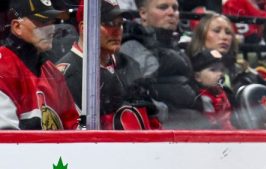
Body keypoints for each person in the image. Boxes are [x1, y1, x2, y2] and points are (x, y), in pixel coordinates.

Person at [57, 0, 160, 130]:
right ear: (84, 28)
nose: (117, 31)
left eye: (120, 24)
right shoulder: (65, 75)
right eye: (109, 24)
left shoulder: (130, 64)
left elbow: (152, 121)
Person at [120, 0, 203, 128]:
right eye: (163, 7)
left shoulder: (177, 46)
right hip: (165, 129)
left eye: (175, 8)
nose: (171, 13)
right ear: (143, 13)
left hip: (192, 122)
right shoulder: (133, 45)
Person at [0, 0, 80, 130]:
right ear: (17, 27)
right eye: (43, 22)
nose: (51, 29)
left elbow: (74, 124)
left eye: (52, 22)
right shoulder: (3, 67)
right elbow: (7, 141)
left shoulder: (52, 71)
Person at [190, 49, 235, 129]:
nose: (220, 74)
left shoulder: (223, 91)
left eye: (221, 70)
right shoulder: (204, 98)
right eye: (213, 70)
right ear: (197, 77)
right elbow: (211, 124)